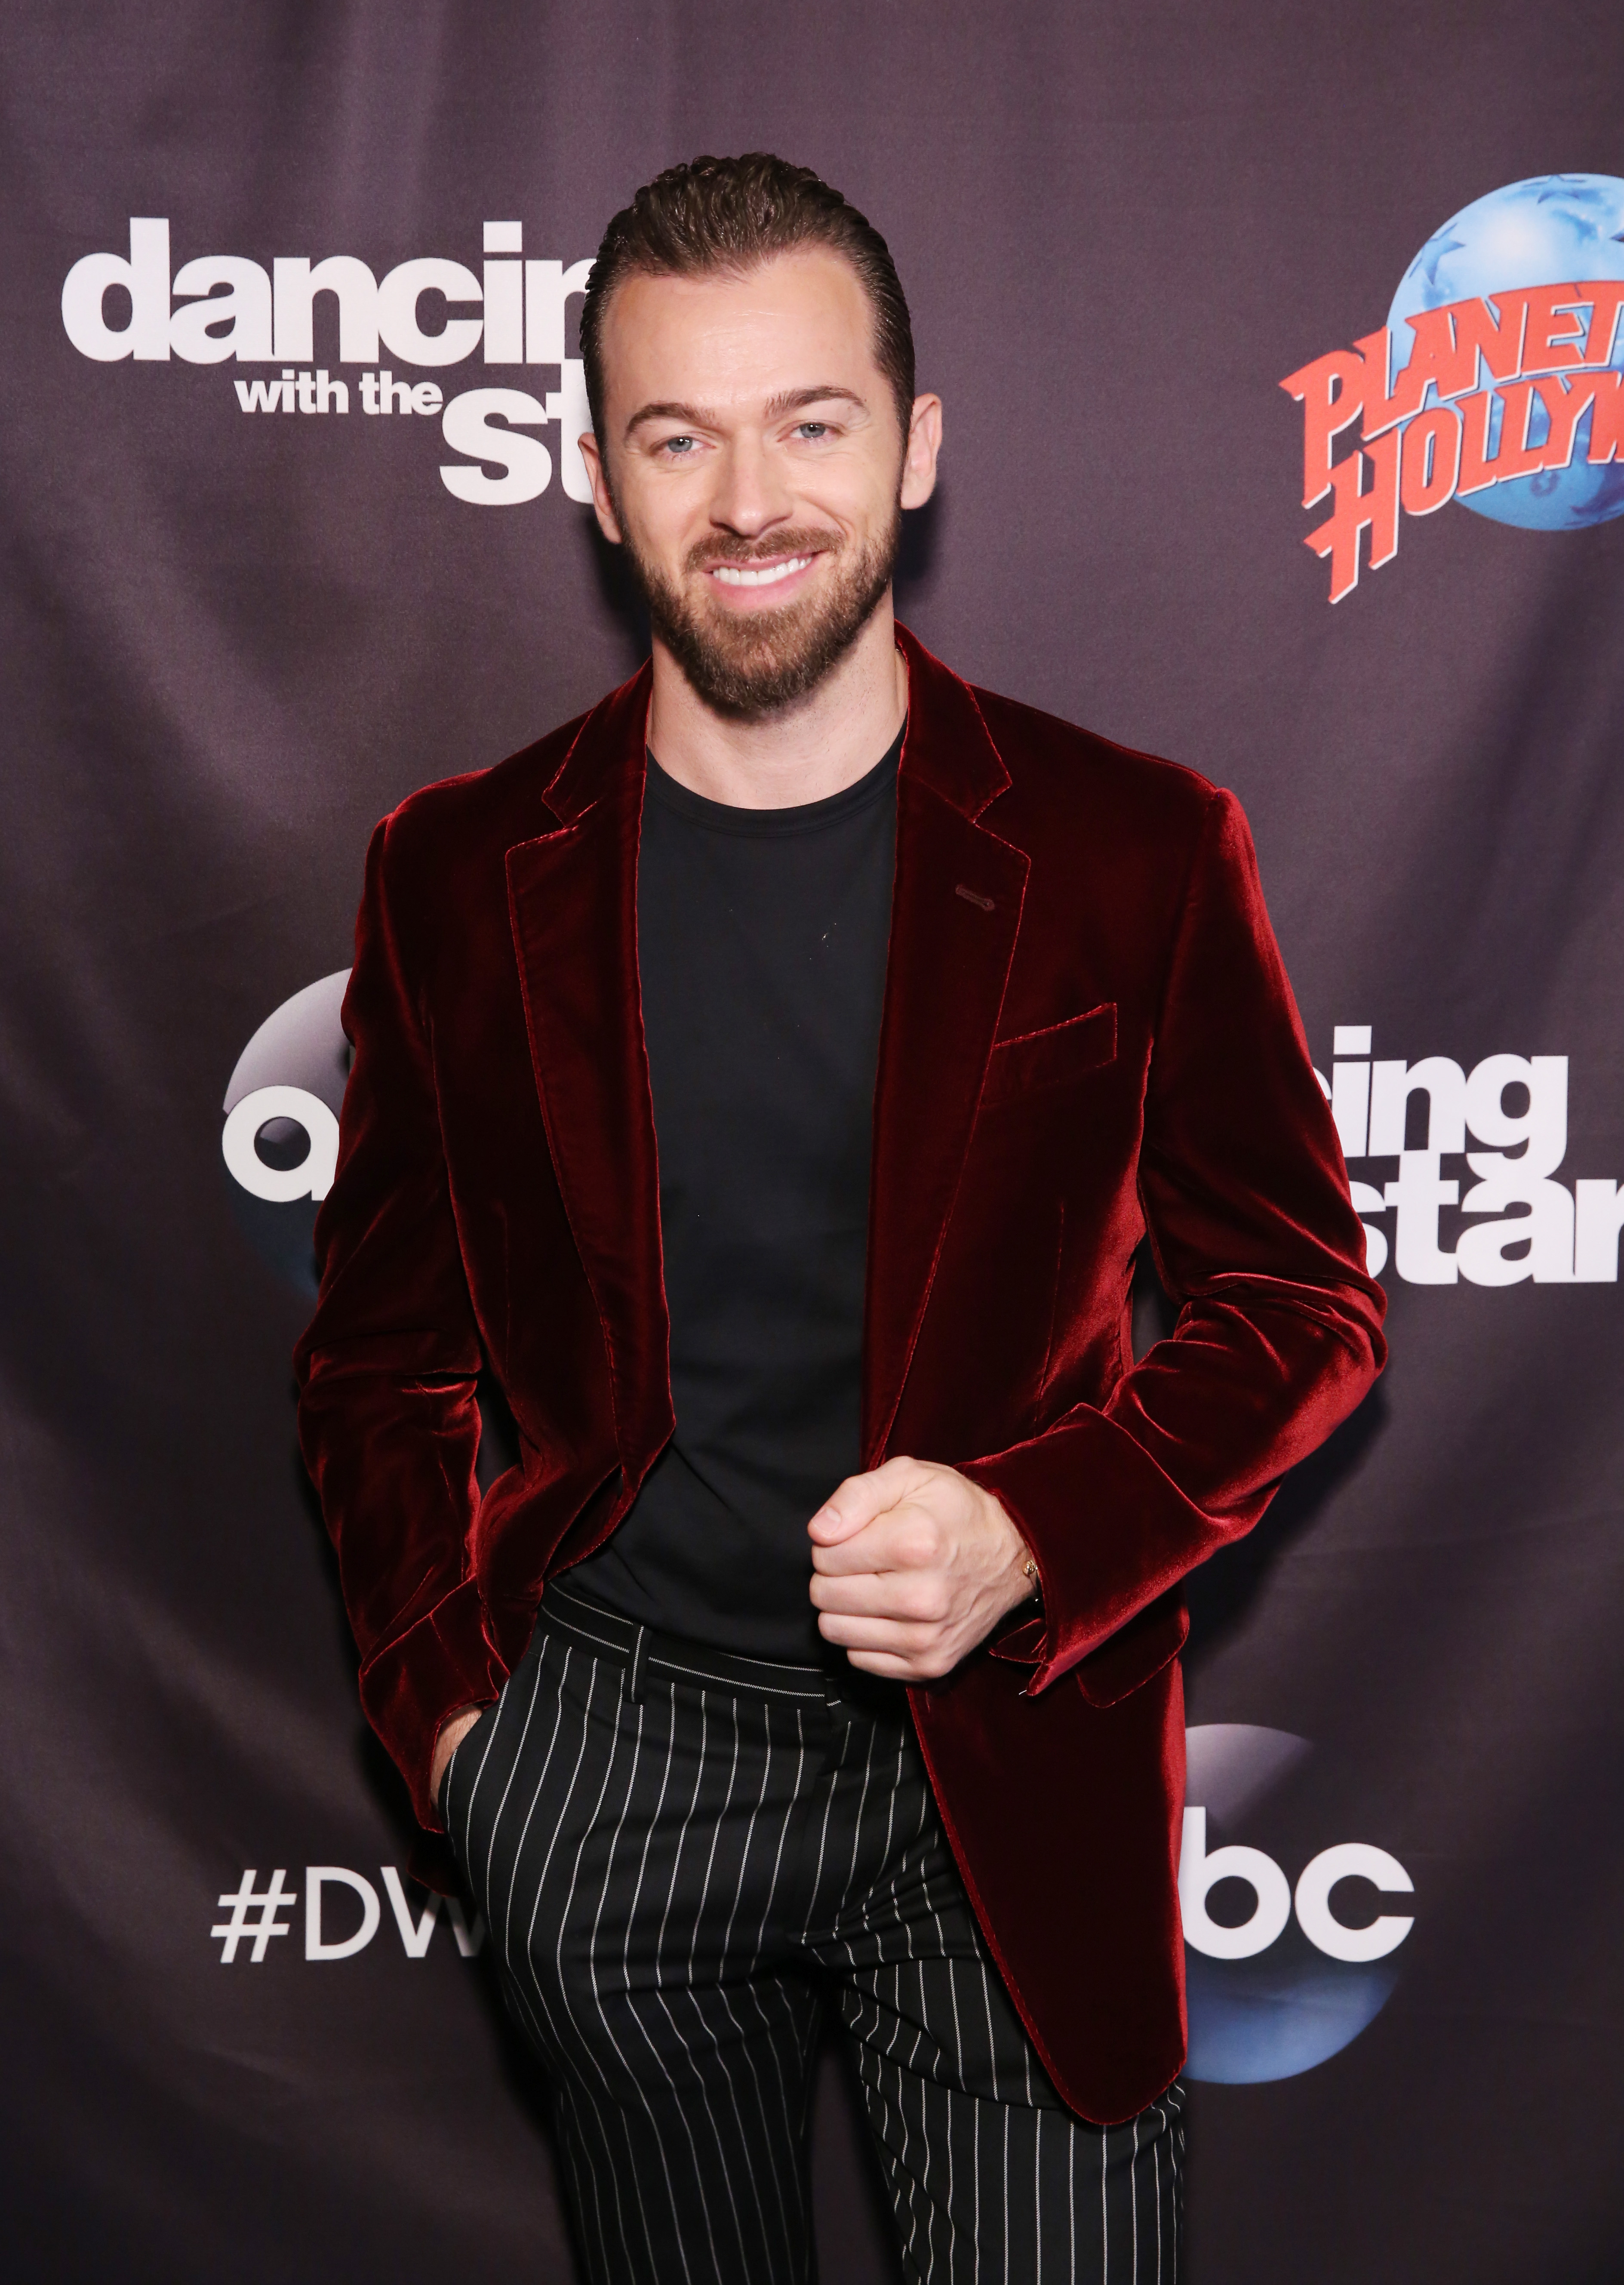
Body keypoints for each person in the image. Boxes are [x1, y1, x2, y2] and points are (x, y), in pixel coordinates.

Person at [295, 152, 1386, 2285]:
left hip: (1010, 1751)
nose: (749, 497)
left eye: (810, 420)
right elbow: (375, 1351)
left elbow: (1296, 1293)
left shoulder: (1133, 846)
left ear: (918, 444)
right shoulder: (454, 865)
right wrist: (457, 1721)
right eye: (673, 435)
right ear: (596, 484)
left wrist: (1035, 1525)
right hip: (606, 1750)